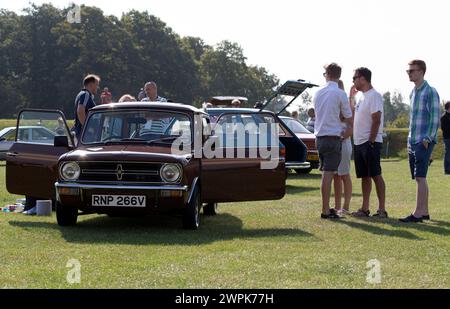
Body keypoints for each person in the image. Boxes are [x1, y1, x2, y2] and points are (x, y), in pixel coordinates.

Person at [400, 60, 440, 223]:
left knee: (420, 176)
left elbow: (435, 117)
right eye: (408, 71)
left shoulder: (430, 91)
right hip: (413, 139)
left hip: (423, 140)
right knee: (419, 177)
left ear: (422, 71)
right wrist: (410, 140)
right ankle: (424, 212)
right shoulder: (413, 92)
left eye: (412, 71)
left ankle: (417, 213)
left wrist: (427, 138)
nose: (409, 73)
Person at [313, 63, 353, 219]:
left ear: (327, 74)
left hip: (319, 137)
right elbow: (348, 117)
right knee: (328, 175)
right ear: (339, 75)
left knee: (326, 173)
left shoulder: (318, 93)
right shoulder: (340, 93)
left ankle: (326, 207)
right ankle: (325, 210)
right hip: (333, 137)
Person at [351, 67, 387, 218]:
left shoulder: (374, 96)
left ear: (363, 78)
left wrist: (371, 141)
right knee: (365, 176)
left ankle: (382, 210)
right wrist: (350, 97)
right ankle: (365, 209)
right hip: (359, 143)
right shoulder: (361, 97)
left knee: (375, 175)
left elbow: (376, 119)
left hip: (369, 142)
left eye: (355, 78)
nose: (353, 81)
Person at [333, 80, 354, 215]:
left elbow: (351, 126)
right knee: (335, 175)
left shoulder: (347, 105)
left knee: (344, 175)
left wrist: (342, 137)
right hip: (333, 143)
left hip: (343, 142)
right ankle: (337, 206)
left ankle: (345, 207)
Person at [73, 74, 100, 143]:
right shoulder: (86, 94)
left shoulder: (82, 94)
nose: (98, 87)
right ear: (91, 84)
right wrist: (87, 127)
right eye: (96, 85)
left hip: (83, 134)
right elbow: (80, 111)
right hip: (86, 134)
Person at [441, 101, 450, 175]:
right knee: (447, 154)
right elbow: (443, 128)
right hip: (447, 138)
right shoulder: (443, 117)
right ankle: (447, 170)